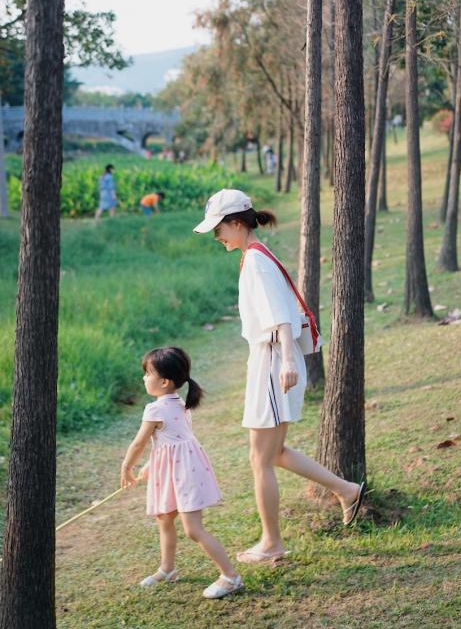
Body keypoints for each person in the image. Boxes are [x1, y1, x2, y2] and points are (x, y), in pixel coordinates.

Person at [193, 189, 366, 564]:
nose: (216, 237)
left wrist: (287, 359)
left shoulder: (256, 261)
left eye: (218, 229)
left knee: (261, 459)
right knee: (274, 453)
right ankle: (347, 490)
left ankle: (272, 542)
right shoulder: (255, 256)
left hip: (273, 360)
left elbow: (281, 316)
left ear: (237, 224)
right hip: (271, 359)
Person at [120, 346, 243, 599]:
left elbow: (139, 443)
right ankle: (167, 569)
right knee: (164, 517)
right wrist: (152, 465)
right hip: (179, 469)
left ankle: (231, 577)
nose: (144, 378)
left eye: (147, 373)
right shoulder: (179, 403)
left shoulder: (154, 410)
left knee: (193, 530)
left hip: (185, 474)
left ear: (164, 381)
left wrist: (127, 466)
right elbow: (172, 440)